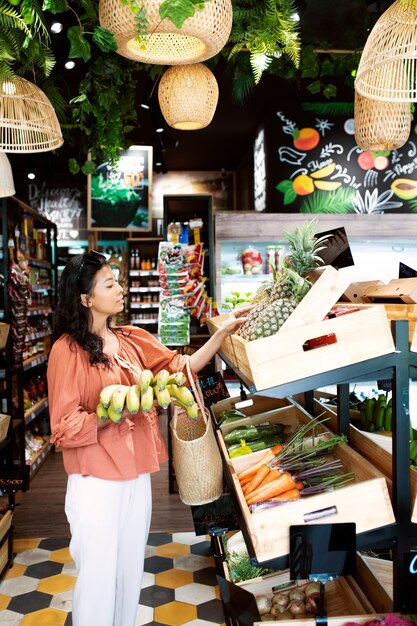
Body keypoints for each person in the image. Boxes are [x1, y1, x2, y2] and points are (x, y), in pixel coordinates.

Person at [47, 249, 252, 626]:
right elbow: (62, 426)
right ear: (85, 298)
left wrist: (222, 333)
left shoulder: (131, 340)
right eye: (110, 284)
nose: (120, 289)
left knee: (128, 570)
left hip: (137, 474)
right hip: (96, 481)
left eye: (118, 281)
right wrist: (112, 415)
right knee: (97, 577)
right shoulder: (67, 351)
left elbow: (181, 367)